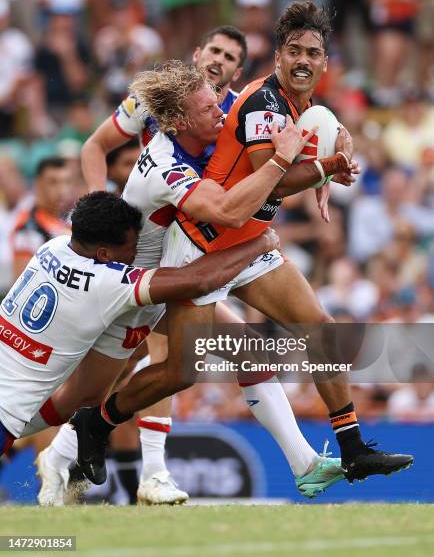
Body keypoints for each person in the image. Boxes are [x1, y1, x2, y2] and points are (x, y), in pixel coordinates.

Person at [72, 2, 412, 488]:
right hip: (200, 247)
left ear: (324, 63)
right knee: (181, 372)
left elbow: (327, 126)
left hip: (250, 243)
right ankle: (98, 422)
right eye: (292, 50)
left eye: (312, 52)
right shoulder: (262, 103)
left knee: (319, 328)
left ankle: (353, 448)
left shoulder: (299, 107)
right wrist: (325, 168)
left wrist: (340, 147)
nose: (302, 59)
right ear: (277, 57)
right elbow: (269, 180)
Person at [40, 26, 346, 506]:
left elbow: (255, 149)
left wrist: (318, 168)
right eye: (215, 52)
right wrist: (99, 205)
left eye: (231, 57)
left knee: (231, 353)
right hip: (136, 279)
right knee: (94, 389)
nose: (220, 63)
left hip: (175, 259)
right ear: (197, 55)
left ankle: (302, 463)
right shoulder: (158, 134)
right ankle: (125, 466)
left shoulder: (218, 114)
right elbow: (99, 149)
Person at [0, 191, 281, 456]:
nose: (137, 255)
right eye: (133, 248)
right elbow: (198, 282)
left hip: (14, 401)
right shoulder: (105, 283)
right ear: (104, 255)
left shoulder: (54, 246)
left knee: (82, 396)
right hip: (5, 413)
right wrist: (261, 244)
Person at [10, 158, 72, 279]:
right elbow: (22, 281)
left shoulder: (67, 218)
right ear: (38, 183)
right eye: (53, 182)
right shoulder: (27, 227)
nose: (62, 190)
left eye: (66, 182)